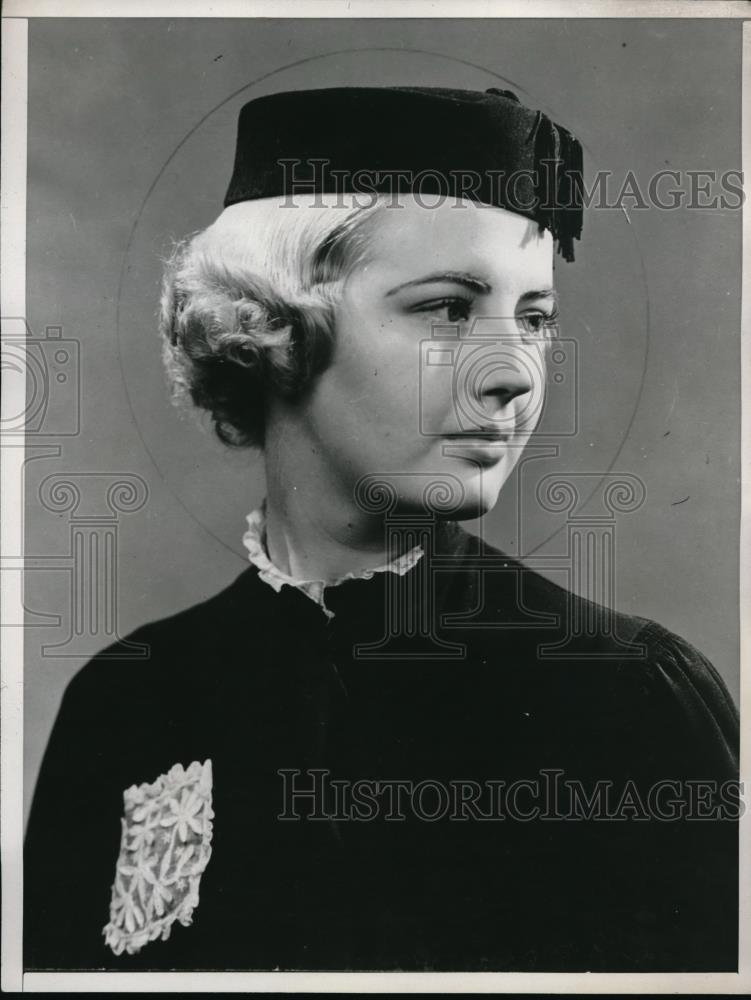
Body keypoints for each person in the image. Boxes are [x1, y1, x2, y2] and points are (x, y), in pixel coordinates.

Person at [24, 86, 739, 973]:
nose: (513, 373)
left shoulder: (625, 699)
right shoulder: (123, 703)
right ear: (270, 327)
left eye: (535, 318)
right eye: (445, 308)